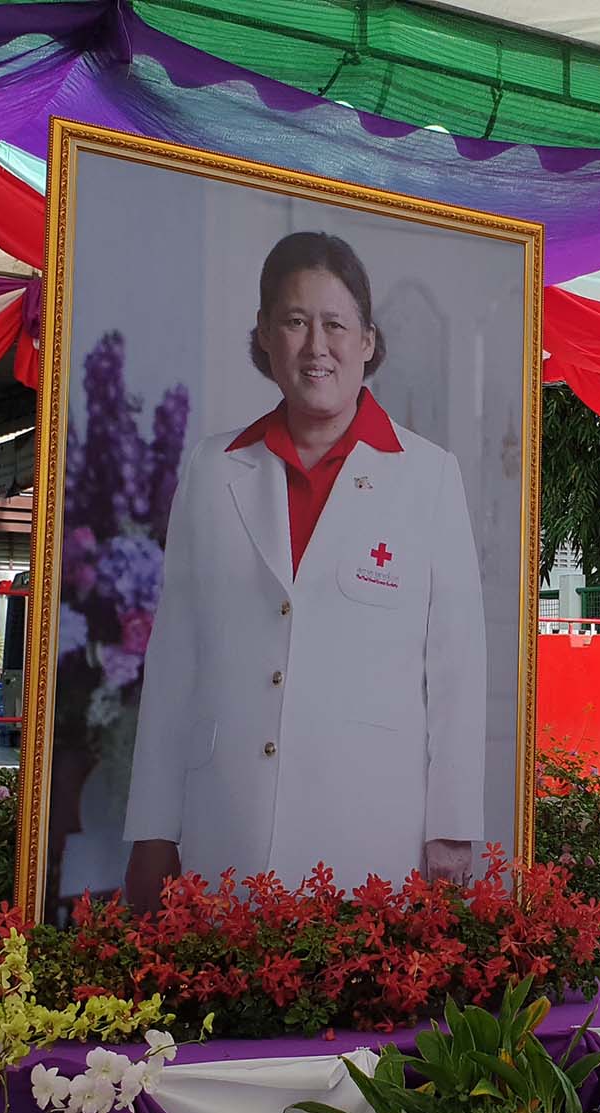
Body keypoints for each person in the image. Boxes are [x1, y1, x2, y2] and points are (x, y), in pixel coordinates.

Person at [121, 231, 485, 908]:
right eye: (294, 322)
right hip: (226, 823)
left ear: (368, 340)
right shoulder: (212, 468)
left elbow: (457, 665)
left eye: (335, 324)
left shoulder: (429, 477)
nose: (317, 346)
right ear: (264, 335)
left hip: (371, 827)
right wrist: (153, 827)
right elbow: (174, 657)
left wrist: (454, 825)